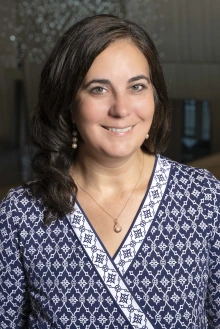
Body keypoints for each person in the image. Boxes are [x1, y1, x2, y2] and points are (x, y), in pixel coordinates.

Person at [0, 14, 219, 329]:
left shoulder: (203, 198)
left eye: (137, 86)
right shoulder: (21, 214)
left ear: (154, 96)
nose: (121, 108)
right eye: (99, 89)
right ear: (68, 102)